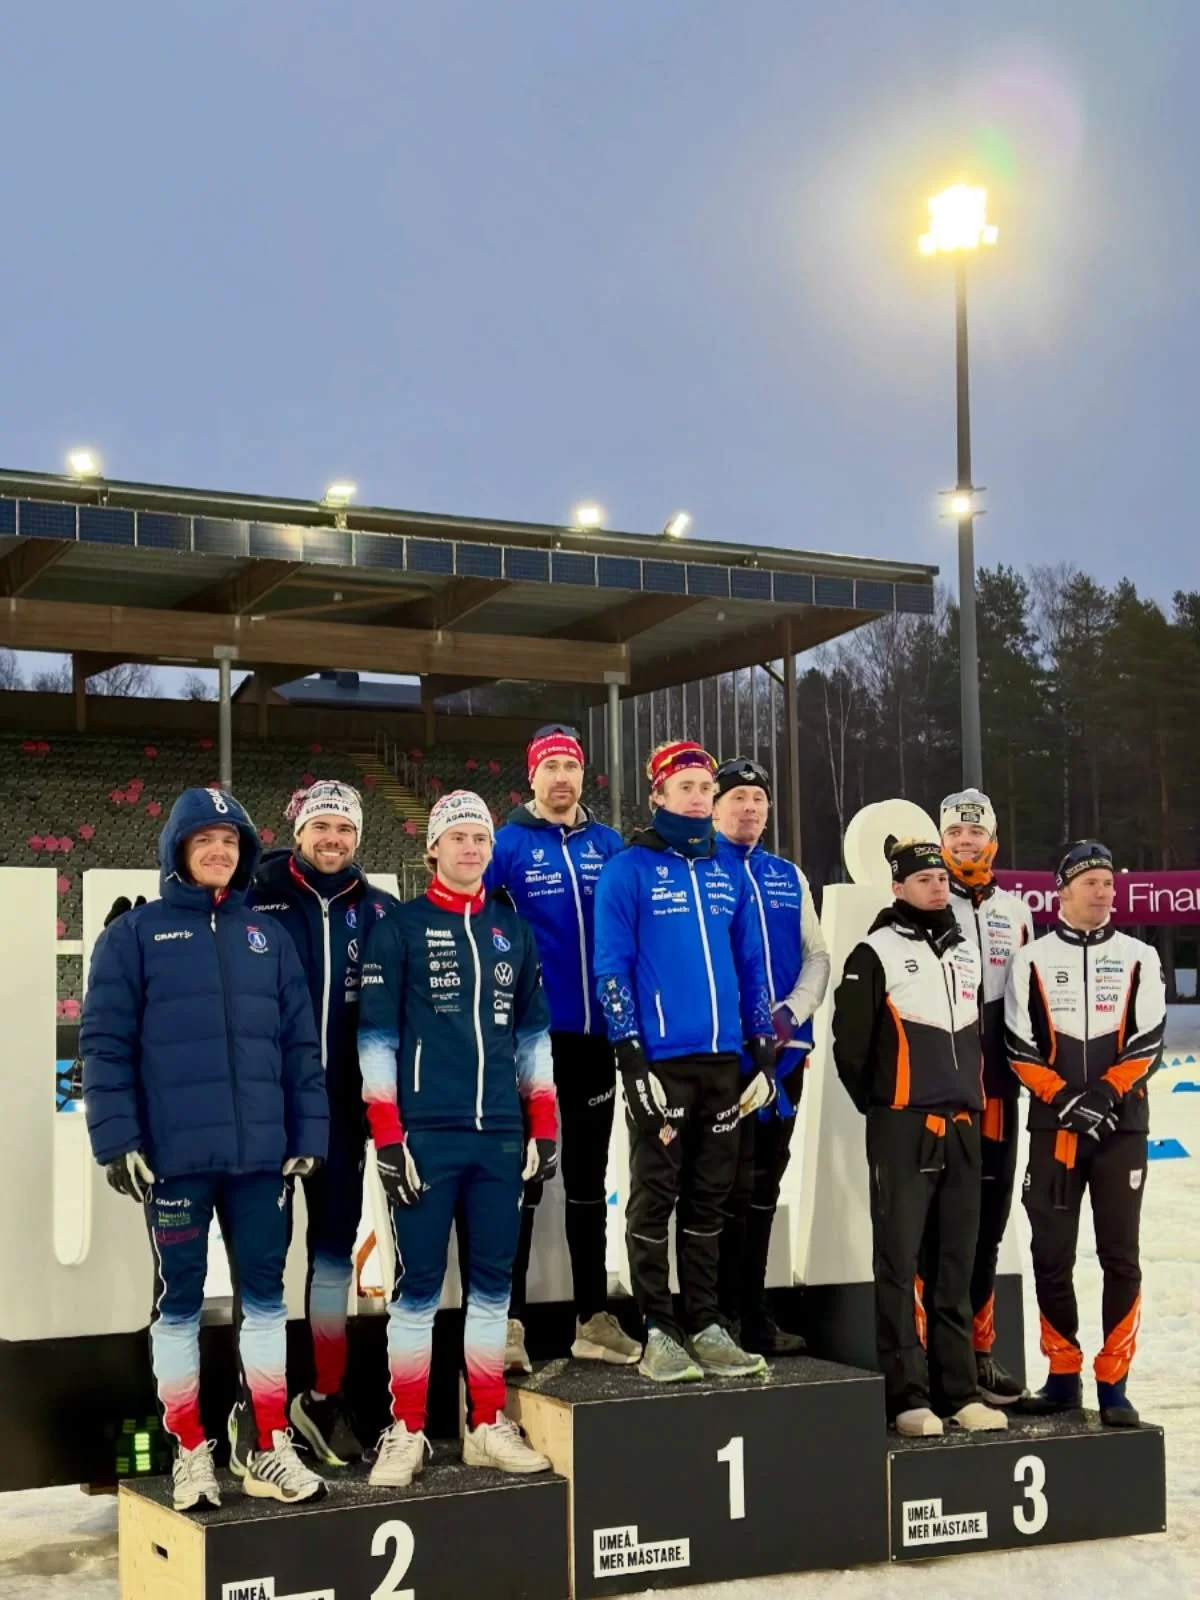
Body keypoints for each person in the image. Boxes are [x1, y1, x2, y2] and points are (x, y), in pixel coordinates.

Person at [81, 787, 328, 1510]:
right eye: (205, 840)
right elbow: (104, 1044)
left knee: (264, 1301)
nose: (220, 851)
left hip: (259, 1162)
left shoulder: (267, 938)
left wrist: (306, 1133)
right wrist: (117, 1138)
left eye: (231, 840)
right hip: (176, 1160)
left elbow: (297, 1047)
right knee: (180, 1305)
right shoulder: (135, 935)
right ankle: (190, 1449)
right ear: (179, 850)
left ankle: (267, 1442)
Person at [358, 790, 557, 1486]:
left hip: (500, 1135)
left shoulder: (512, 931)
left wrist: (546, 1122)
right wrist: (387, 1135)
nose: (471, 849)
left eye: (480, 838)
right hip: (425, 1137)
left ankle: (484, 1424)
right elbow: (376, 1040)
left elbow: (533, 1037)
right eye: (458, 838)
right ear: (433, 849)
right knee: (418, 1290)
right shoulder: (399, 928)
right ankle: (407, 1428)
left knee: (492, 1289)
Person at [223, 780, 398, 1472]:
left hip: (341, 1120)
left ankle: (323, 1397)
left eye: (345, 830)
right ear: (297, 831)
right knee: (259, 1269)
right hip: (266, 1115)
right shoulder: (254, 896)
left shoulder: (379, 911)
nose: (333, 840)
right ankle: (252, 1401)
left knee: (331, 1263)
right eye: (322, 826)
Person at [593, 739, 776, 1383]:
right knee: (655, 1194)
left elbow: (752, 965)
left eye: (706, 787)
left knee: (711, 1197)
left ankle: (703, 1322)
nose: (699, 797)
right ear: (660, 795)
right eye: (687, 787)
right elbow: (611, 965)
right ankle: (658, 1331)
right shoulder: (629, 868)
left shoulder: (726, 871)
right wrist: (629, 1053)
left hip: (724, 1063)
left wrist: (762, 1048)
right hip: (662, 1063)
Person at [831, 836, 1005, 1436]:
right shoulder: (874, 951)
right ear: (898, 887)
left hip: (963, 1127)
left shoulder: (965, 952)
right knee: (900, 1264)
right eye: (924, 879)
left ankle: (958, 1391)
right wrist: (888, 1110)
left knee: (955, 1265)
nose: (938, 886)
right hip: (904, 1127)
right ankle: (908, 1396)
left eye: (941, 878)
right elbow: (849, 1051)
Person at [485, 724, 634, 1373]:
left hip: (596, 1038)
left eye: (570, 766)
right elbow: (472, 925)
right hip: (530, 1040)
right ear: (532, 778)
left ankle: (592, 1319)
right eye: (550, 767)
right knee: (524, 1177)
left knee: (589, 1180)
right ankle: (509, 1323)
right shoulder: (507, 844)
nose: (561, 778)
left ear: (581, 775)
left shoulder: (609, 846)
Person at [1005, 840, 1165, 1426]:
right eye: (1090, 882)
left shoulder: (1140, 956)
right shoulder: (1031, 959)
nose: (1102, 892)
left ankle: (1115, 1381)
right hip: (1056, 1127)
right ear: (1061, 892)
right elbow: (1017, 1045)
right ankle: (1063, 1374)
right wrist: (1066, 1097)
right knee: (1052, 1255)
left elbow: (1149, 1041)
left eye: (1108, 883)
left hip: (1122, 1126)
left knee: (1121, 1256)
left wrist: (1102, 1095)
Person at [712, 757, 831, 1355]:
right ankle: (714, 1314)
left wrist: (792, 1014)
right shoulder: (700, 868)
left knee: (765, 1187)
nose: (750, 808)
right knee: (721, 1187)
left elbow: (818, 955)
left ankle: (754, 1312)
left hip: (786, 1058)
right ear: (714, 806)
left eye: (759, 799)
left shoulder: (788, 874)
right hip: (724, 1058)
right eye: (737, 798)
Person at [938, 788, 1034, 1406]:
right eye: (955, 835)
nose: (965, 843)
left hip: (998, 1090)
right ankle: (933, 1354)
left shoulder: (1016, 909)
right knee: (942, 1227)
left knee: (989, 1227)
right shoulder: (925, 894)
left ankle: (977, 1349)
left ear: (992, 840)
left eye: (975, 835)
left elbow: (1027, 995)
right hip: (941, 1089)